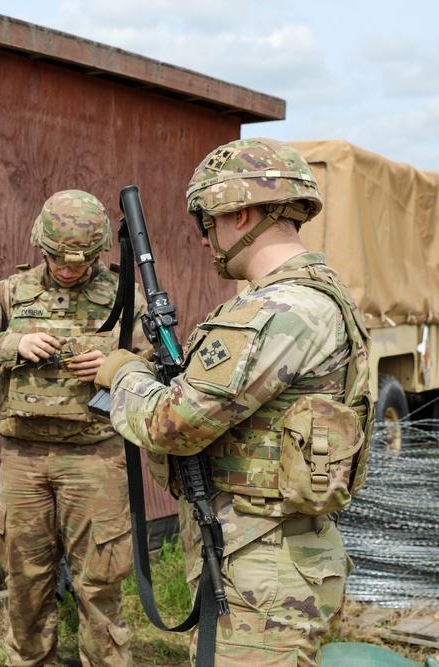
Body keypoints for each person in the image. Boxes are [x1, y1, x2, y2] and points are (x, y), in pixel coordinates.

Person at [96, 138, 372, 666]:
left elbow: (171, 423)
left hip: (265, 570)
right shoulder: (317, 294)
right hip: (274, 554)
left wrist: (123, 373)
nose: (204, 240)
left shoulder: (278, 310)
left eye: (207, 222)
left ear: (240, 212)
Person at [0, 190, 147, 667]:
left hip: (95, 458)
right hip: (24, 461)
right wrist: (12, 343)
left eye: (80, 260)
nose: (68, 269)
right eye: (57, 258)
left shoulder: (125, 296)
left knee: (100, 583)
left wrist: (117, 364)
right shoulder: (12, 293)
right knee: (25, 581)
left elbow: (164, 363)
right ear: (40, 243)